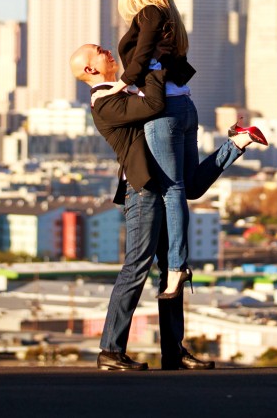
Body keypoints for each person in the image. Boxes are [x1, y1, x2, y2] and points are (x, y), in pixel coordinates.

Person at [70, 43, 261, 371]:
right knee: (136, 267)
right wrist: (153, 67)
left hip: (160, 186)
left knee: (170, 271)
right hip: (143, 192)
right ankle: (110, 351)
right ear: (90, 70)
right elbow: (155, 104)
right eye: (100, 50)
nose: (108, 51)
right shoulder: (105, 102)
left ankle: (173, 351)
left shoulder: (121, 90)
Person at [109, 0, 267, 299]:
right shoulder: (171, 19)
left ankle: (177, 266)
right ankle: (237, 141)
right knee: (190, 187)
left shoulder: (149, 14)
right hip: (185, 107)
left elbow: (141, 59)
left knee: (172, 190)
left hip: (164, 113)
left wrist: (120, 85)